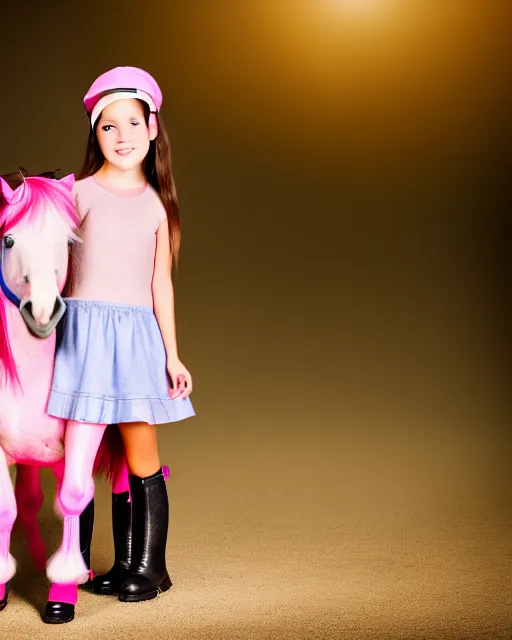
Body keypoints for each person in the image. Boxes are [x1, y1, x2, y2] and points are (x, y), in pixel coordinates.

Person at [46, 66, 195, 606]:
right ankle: (87, 564)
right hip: (82, 333)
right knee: (80, 450)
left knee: (140, 450)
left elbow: (161, 286)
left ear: (153, 128)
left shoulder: (158, 205)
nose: (123, 135)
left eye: (133, 122)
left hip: (134, 339)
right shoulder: (77, 193)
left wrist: (173, 357)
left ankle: (150, 566)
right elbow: (51, 265)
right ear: (95, 133)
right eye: (109, 127)